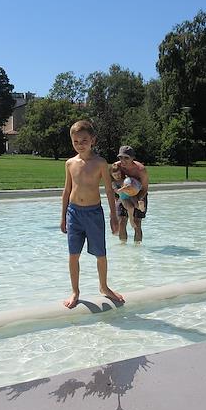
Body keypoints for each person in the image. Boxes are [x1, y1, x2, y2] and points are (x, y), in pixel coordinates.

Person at [60, 120, 124, 309]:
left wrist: (114, 216)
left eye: (84, 140)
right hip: (74, 213)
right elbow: (66, 190)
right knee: (73, 255)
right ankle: (75, 291)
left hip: (93, 213)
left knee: (100, 254)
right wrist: (63, 217)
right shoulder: (70, 163)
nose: (80, 145)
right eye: (76, 141)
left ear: (93, 140)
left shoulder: (100, 163)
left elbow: (109, 191)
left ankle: (104, 286)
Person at [114, 145, 149, 243]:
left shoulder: (140, 169)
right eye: (120, 157)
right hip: (123, 194)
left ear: (133, 158)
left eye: (126, 158)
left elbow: (145, 188)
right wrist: (116, 197)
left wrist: (138, 199)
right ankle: (123, 247)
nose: (123, 160)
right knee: (121, 221)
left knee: (137, 223)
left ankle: (137, 247)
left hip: (139, 193)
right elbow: (112, 182)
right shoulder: (117, 166)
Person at [110, 162, 145, 227]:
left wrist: (135, 186)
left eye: (119, 174)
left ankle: (141, 206)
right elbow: (117, 192)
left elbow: (134, 183)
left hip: (131, 195)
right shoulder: (114, 183)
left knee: (137, 205)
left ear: (121, 173)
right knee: (130, 207)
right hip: (124, 198)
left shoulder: (126, 179)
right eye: (115, 175)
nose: (117, 176)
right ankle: (131, 220)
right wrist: (124, 188)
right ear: (112, 175)